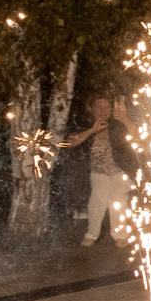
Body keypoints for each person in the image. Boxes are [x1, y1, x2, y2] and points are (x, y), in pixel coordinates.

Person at [61, 96, 137, 246]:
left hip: (121, 170)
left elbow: (139, 136)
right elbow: (69, 142)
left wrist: (126, 119)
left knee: (116, 198)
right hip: (98, 171)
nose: (103, 111)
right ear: (91, 109)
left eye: (107, 107)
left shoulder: (118, 125)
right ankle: (92, 234)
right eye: (99, 107)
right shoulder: (85, 125)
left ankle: (121, 235)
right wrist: (92, 130)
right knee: (98, 200)